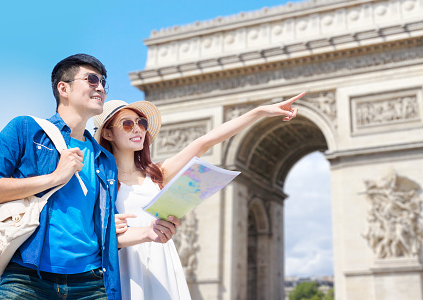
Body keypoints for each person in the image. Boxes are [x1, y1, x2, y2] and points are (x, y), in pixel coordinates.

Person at [0, 53, 178, 300]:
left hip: (90, 285)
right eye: (92, 80)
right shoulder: (26, 130)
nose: (100, 87)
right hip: (26, 279)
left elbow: (102, 232)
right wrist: (54, 177)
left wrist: (149, 233)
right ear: (63, 88)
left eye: (103, 82)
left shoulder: (105, 160)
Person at [93, 91, 305, 300]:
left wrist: (259, 112)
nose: (137, 128)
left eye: (141, 123)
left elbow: (205, 141)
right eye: (127, 124)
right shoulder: (99, 181)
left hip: (162, 262)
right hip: (125, 266)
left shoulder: (158, 174)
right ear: (108, 133)